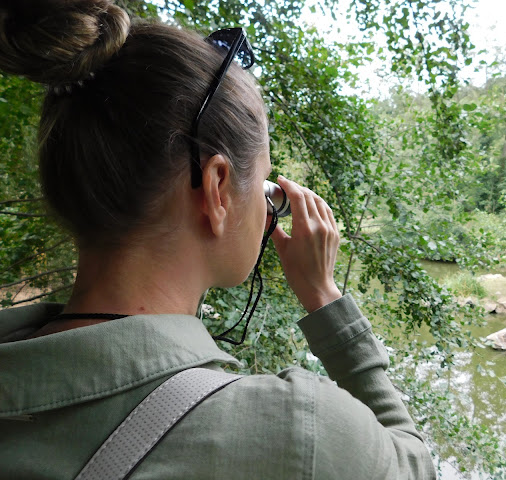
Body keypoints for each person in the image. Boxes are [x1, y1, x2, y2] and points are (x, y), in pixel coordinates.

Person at [0, 1, 436, 478]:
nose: (268, 206)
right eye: (267, 185)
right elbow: (414, 467)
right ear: (217, 189)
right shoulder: (297, 435)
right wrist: (325, 298)